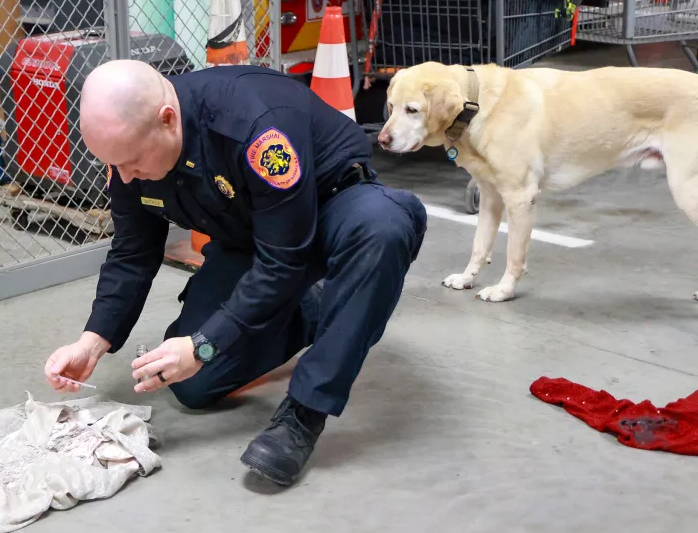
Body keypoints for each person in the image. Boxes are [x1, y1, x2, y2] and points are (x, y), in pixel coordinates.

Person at [44, 59, 427, 486]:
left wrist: (205, 343)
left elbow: (283, 261)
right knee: (194, 385)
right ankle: (320, 310)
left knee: (383, 229)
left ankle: (304, 412)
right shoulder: (129, 153)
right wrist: (92, 342)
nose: (124, 177)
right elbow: (133, 251)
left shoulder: (254, 127)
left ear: (167, 120)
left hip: (333, 209)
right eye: (113, 165)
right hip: (256, 239)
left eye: (130, 162)